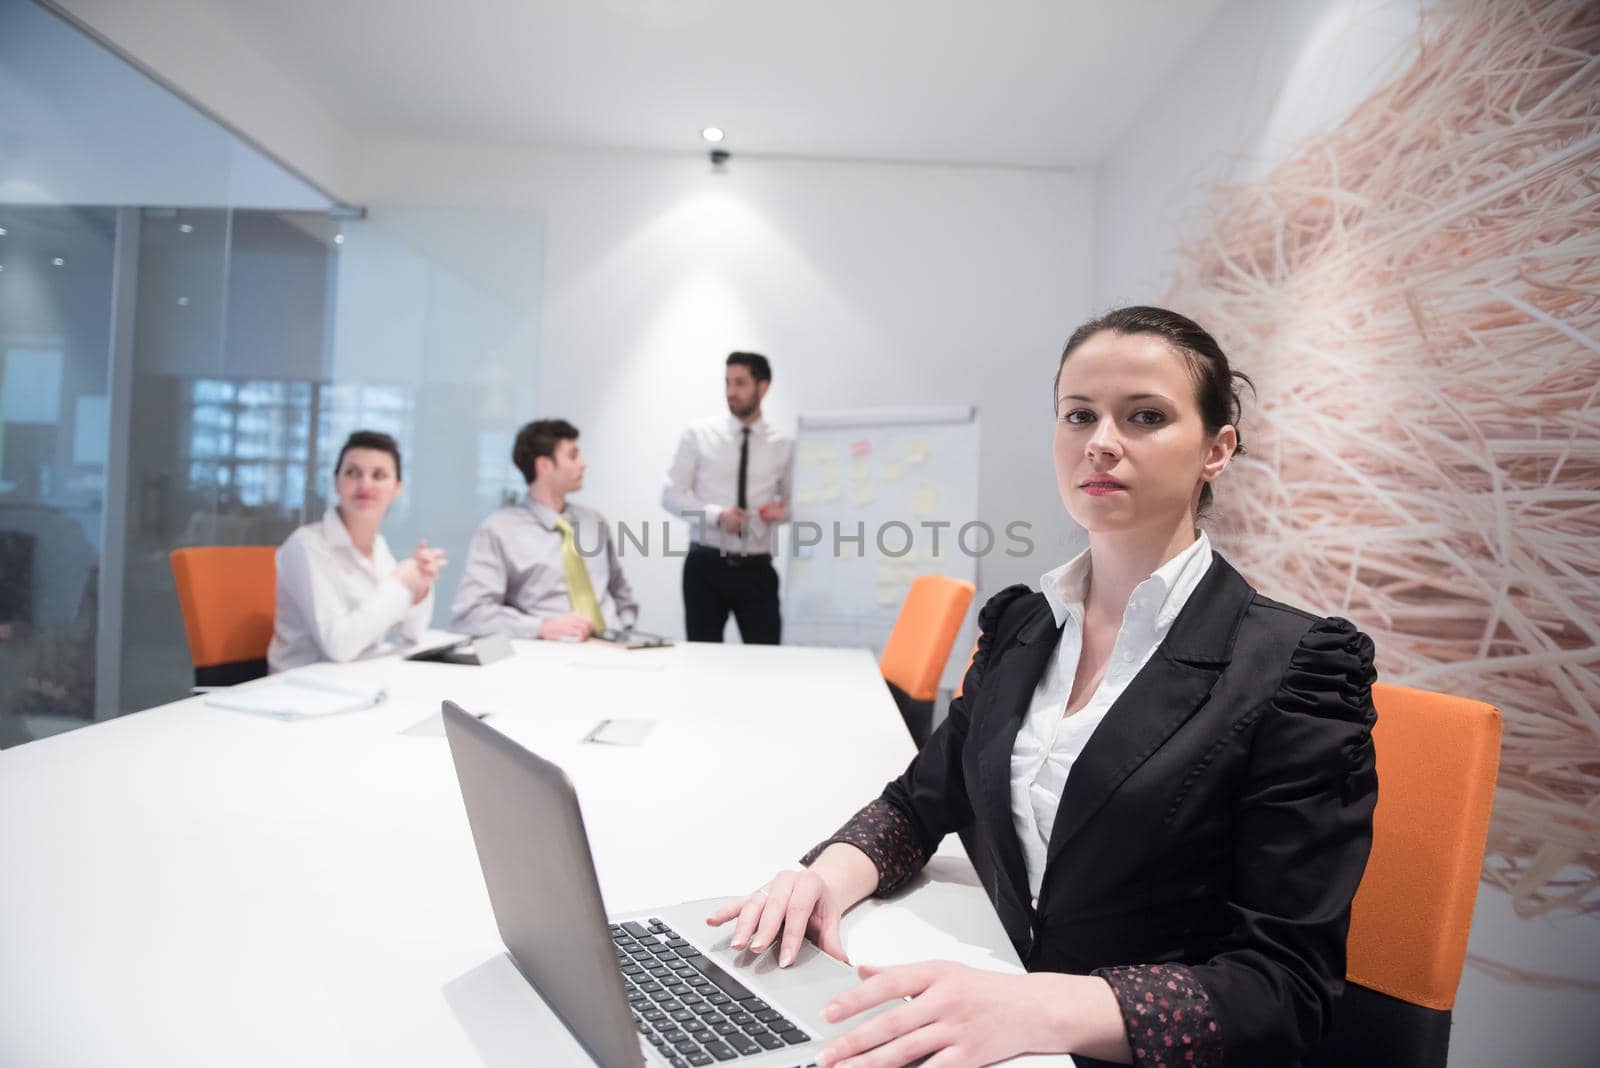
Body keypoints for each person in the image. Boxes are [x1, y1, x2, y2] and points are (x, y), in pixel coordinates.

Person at [706, 307, 1380, 1068]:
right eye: (1079, 415)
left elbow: (1284, 989)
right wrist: (823, 878)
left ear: (1216, 450)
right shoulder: (1026, 626)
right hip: (989, 1019)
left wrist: (1043, 1008)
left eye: (1145, 416)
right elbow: (921, 800)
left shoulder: (1295, 668)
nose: (1100, 441)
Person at [269, 430, 445, 672]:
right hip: (300, 688)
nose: (365, 484)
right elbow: (339, 646)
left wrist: (419, 589)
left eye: (379, 475)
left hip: (357, 678)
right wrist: (399, 582)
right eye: (353, 473)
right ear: (336, 482)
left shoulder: (379, 547)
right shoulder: (307, 546)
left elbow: (412, 633)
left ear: (397, 488)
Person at [451, 418, 637, 641]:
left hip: (615, 650)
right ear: (544, 466)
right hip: (549, 656)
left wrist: (623, 628)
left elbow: (620, 593)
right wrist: (541, 627)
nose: (583, 463)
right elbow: (471, 614)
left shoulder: (594, 522)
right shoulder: (498, 530)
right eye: (572, 455)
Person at [662, 351, 794, 643]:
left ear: (763, 387)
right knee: (702, 661)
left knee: (766, 660)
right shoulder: (698, 435)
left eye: (740, 383)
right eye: (727, 383)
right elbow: (671, 496)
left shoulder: (783, 445)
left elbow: (794, 504)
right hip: (705, 567)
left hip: (757, 568)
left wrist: (782, 513)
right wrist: (716, 515)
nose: (731, 392)